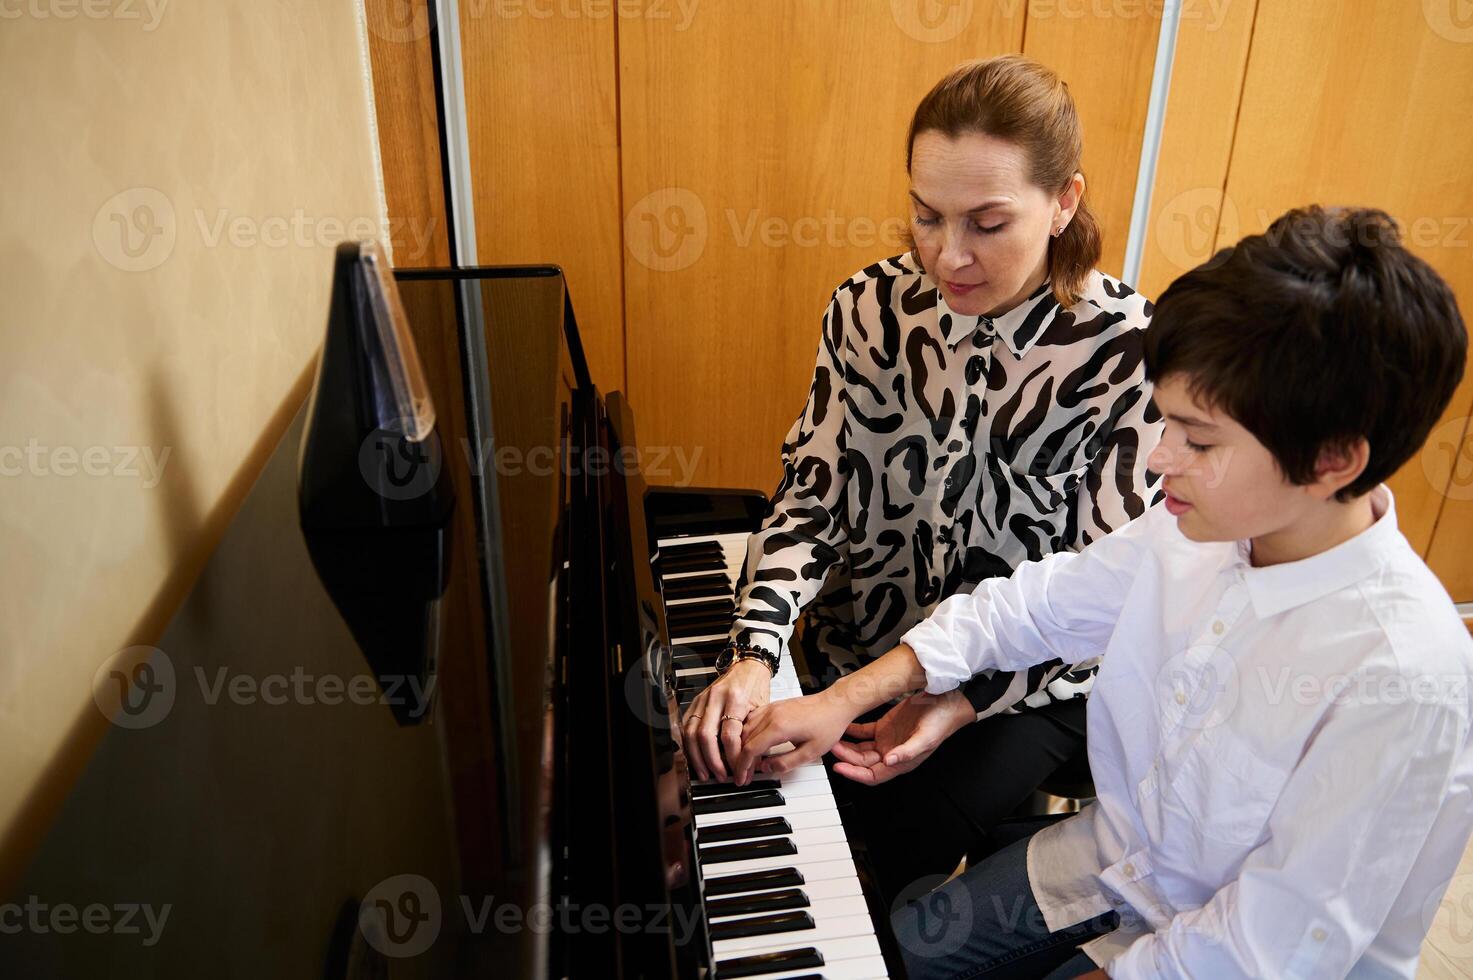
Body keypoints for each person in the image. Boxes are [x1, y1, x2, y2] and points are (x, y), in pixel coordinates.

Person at [732, 205, 1473, 979]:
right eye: (1167, 424)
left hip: (1227, 959)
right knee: (895, 952)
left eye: (1199, 440)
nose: (1159, 459)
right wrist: (843, 697)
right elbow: (1030, 608)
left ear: (1331, 461)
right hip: (1106, 868)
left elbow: (1264, 948)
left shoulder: (1405, 678)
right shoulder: (1199, 530)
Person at [681, 55, 1162, 900]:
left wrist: (956, 699)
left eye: (986, 222)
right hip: (862, 649)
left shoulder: (1128, 352)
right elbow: (813, 498)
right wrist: (755, 653)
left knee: (873, 858)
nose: (948, 256)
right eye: (926, 216)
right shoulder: (867, 309)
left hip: (1027, 686)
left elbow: (1096, 595)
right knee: (740, 792)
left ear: (1064, 202)